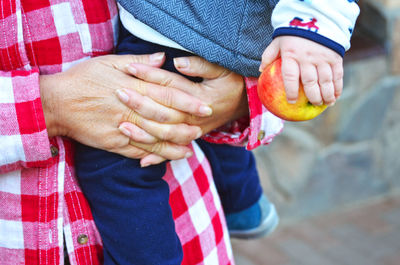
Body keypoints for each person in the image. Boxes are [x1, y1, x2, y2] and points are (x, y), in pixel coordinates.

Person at [74, 0, 360, 264]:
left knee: (115, 159)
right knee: (197, 112)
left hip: (182, 28)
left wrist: (313, 28)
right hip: (197, 24)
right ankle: (243, 202)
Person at [0, 1, 283, 265]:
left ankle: (243, 201)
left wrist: (241, 94)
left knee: (118, 163)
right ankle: (244, 202)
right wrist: (50, 105)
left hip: (189, 216)